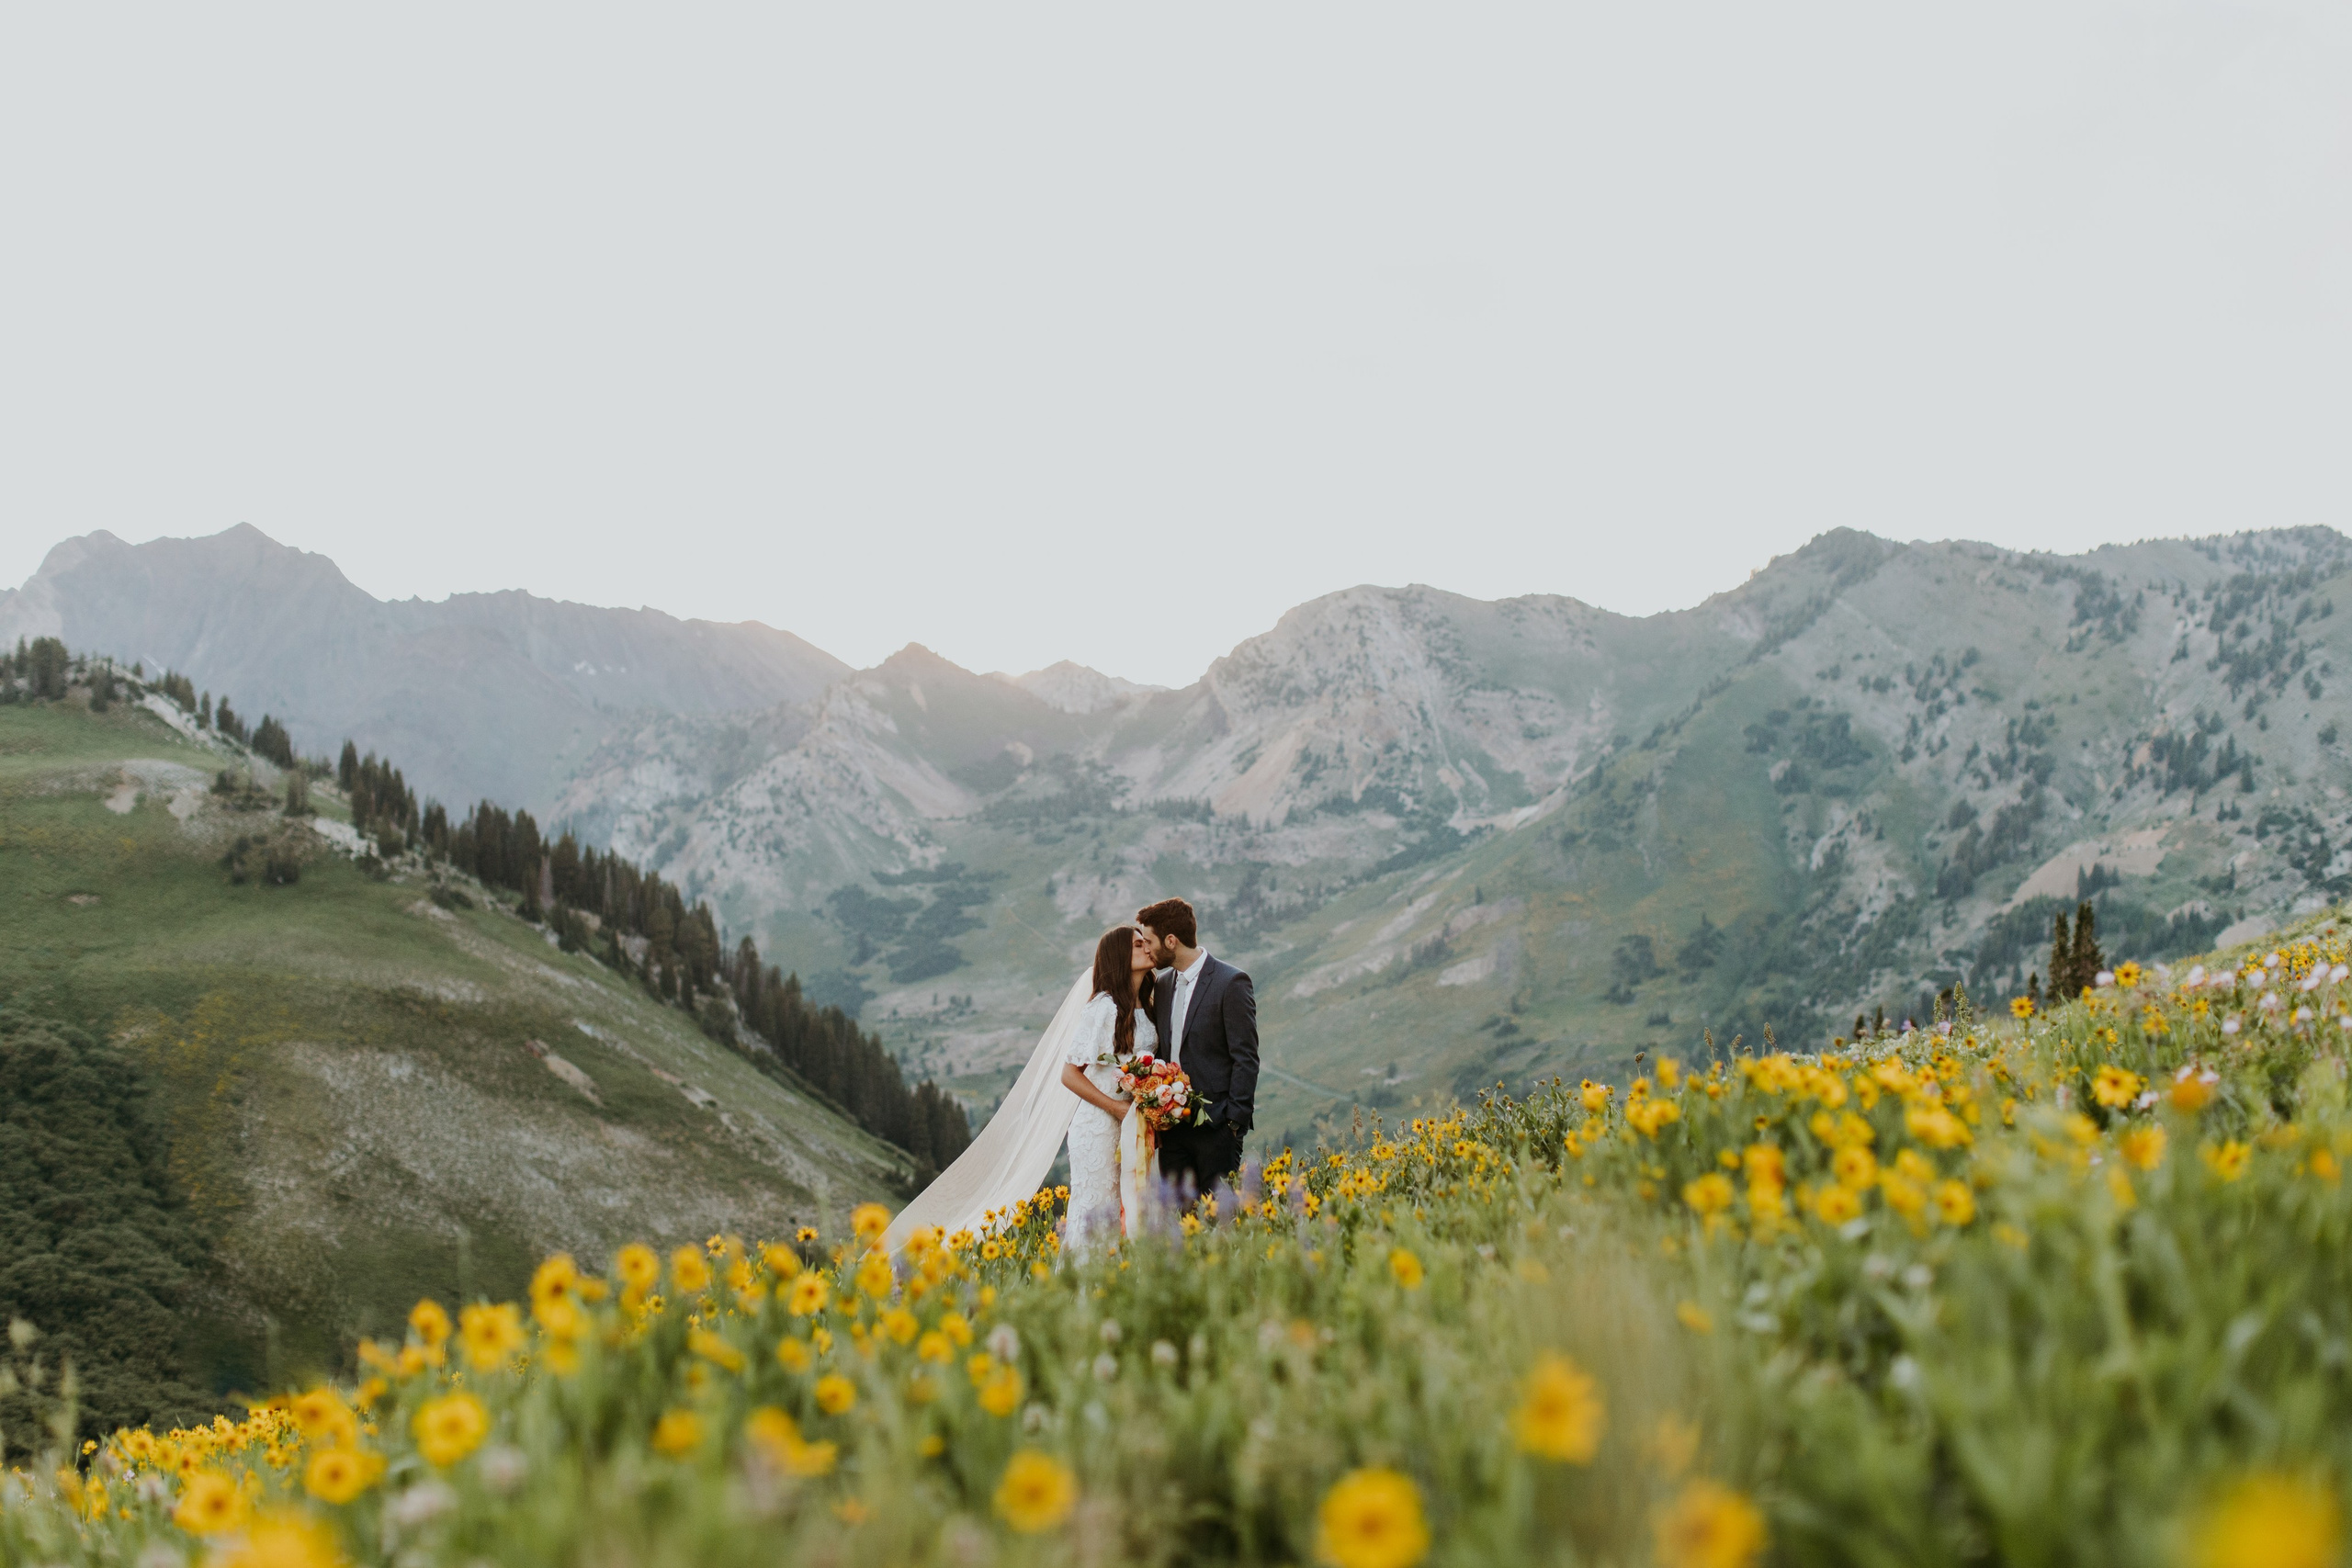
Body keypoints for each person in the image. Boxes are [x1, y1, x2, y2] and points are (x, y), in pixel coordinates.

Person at [1136, 897, 1258, 1200]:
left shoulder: (1231, 982)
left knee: (1221, 1222)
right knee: (1180, 1224)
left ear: (1171, 941)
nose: (1146, 948)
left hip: (1217, 1129)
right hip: (1172, 1131)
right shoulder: (1162, 986)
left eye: (1149, 941)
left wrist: (1233, 1123)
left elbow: (1246, 1057)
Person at [1056, 926, 1160, 1259]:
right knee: (1098, 1213)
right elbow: (1069, 1075)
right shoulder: (1102, 1008)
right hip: (1099, 1126)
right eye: (1137, 944)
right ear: (1119, 956)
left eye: (1146, 942)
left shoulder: (1146, 1004)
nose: (1146, 948)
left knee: (1131, 1209)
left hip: (1133, 1124)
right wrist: (1115, 1108)